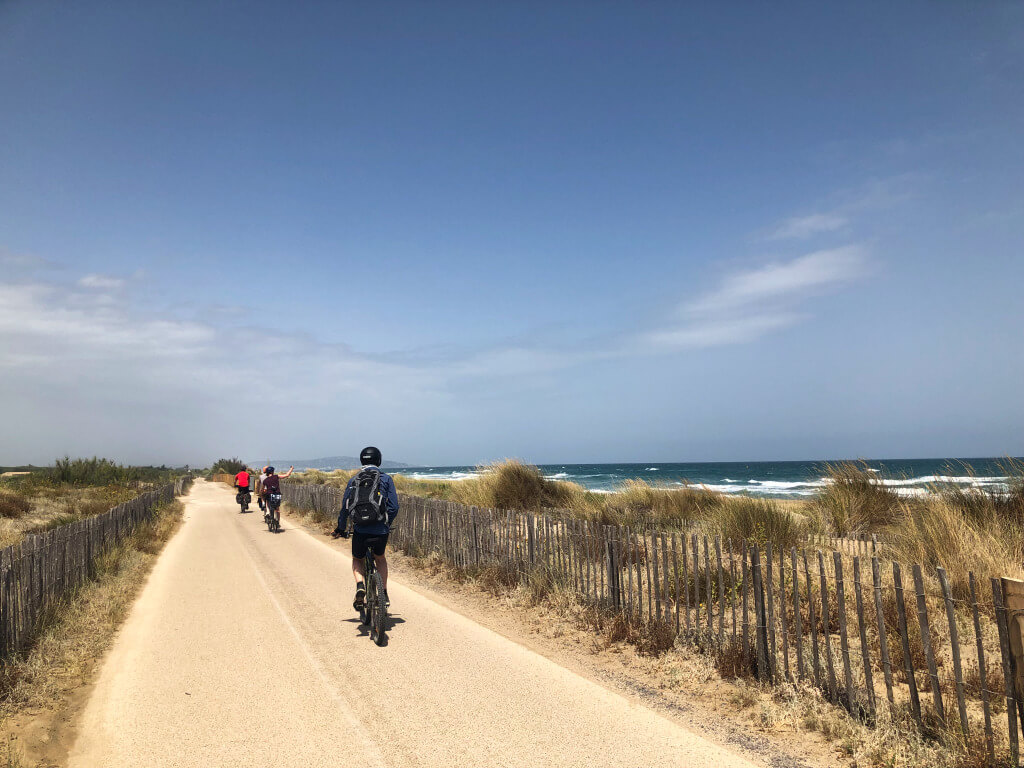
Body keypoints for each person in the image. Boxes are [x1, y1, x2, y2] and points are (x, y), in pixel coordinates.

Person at [332, 446, 399, 611]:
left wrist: (341, 528)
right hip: (380, 530)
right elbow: (394, 507)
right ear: (379, 460)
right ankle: (383, 593)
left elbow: (345, 507)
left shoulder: (354, 479)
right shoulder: (386, 479)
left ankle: (360, 585)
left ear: (362, 460)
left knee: (357, 559)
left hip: (360, 530)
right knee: (380, 558)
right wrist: (385, 523)